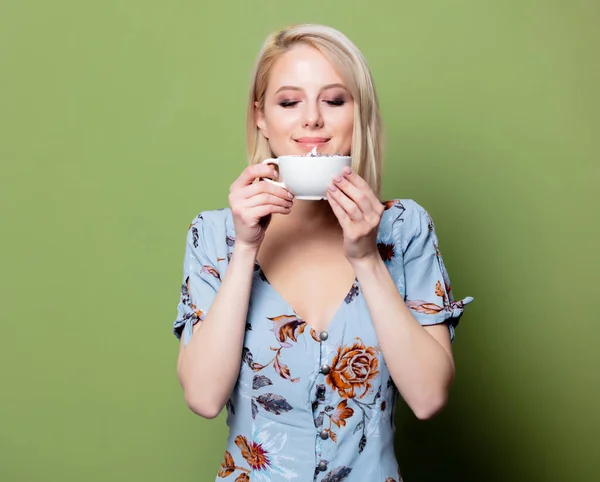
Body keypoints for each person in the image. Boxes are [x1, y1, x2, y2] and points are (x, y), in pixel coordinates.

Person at [172, 23, 473, 482]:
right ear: (261, 117)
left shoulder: (405, 227)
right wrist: (245, 249)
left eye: (334, 100)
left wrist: (368, 258)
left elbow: (429, 397)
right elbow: (204, 398)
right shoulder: (214, 234)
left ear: (359, 114)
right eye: (289, 102)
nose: (311, 119)